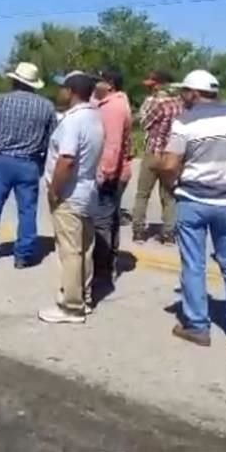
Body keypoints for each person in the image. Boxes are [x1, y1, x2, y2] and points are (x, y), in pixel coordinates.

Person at [158, 70, 226, 351]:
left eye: (184, 92)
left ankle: (197, 327)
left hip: (194, 200)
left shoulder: (185, 121)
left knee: (193, 264)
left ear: (193, 93)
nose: (182, 97)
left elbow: (168, 165)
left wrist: (173, 185)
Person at [38, 72, 104, 324]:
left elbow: (66, 159)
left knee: (69, 251)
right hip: (87, 190)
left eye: (62, 89)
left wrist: (55, 190)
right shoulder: (94, 117)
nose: (60, 93)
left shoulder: (72, 121)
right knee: (85, 248)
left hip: (70, 192)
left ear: (71, 91)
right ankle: (84, 298)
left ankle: (71, 305)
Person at [0, 63, 54, 267]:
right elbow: (52, 138)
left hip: (2, 160)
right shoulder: (46, 106)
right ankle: (23, 255)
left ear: (15, 80)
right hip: (30, 162)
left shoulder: (1, 101)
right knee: (27, 210)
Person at [132, 70, 184, 245]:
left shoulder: (154, 102)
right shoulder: (180, 104)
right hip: (172, 154)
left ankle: (138, 231)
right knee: (168, 196)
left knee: (142, 194)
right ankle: (168, 233)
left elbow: (144, 123)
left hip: (153, 151)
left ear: (159, 84)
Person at [92, 69, 133, 286]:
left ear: (109, 84)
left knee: (102, 221)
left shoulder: (114, 107)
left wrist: (104, 173)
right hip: (117, 170)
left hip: (111, 172)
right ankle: (108, 261)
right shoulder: (113, 103)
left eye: (98, 81)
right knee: (111, 218)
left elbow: (113, 143)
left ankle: (103, 267)